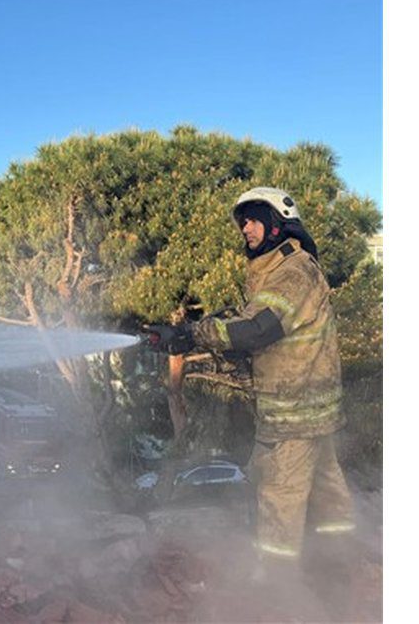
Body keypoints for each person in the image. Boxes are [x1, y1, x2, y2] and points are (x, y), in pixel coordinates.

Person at [146, 186, 355, 579]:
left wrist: (193, 335)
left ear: (279, 224)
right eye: (243, 222)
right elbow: (259, 330)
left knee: (278, 495)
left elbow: (260, 328)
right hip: (311, 411)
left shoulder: (292, 272)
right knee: (327, 493)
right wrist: (189, 331)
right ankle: (337, 565)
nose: (246, 228)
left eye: (255, 219)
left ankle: (276, 588)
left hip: (293, 415)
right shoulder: (283, 270)